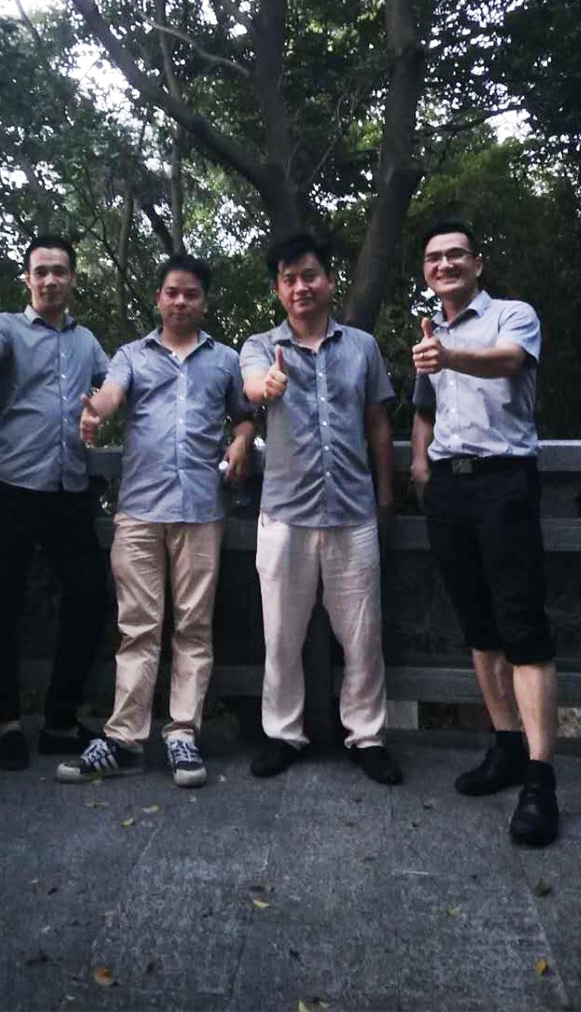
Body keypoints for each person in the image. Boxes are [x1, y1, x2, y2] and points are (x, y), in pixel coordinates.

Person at [55, 255, 256, 788]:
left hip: (202, 509)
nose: (180, 301)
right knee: (138, 628)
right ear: (158, 299)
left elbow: (244, 415)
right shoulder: (131, 355)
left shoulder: (225, 359)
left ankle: (183, 733)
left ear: (203, 301)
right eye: (172, 292)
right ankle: (124, 740)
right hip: (141, 509)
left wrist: (242, 439)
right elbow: (111, 394)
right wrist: (96, 411)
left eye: (191, 293)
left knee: (194, 626)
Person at [411, 219, 558, 846]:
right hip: (450, 487)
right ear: (426, 272)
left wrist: (448, 357)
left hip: (504, 482)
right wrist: (420, 464)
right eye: (433, 258)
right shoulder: (431, 334)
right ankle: (505, 746)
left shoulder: (512, 317)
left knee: (523, 625)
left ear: (477, 263)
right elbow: (424, 407)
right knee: (478, 625)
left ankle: (541, 779)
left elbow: (508, 363)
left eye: (455, 254)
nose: (444, 264)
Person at [239, 233, 402, 786]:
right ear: (278, 290)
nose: (300, 287)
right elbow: (253, 386)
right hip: (285, 515)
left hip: (354, 511)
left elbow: (378, 423)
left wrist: (385, 493)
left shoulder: (362, 347)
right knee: (281, 636)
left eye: (309, 275)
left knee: (363, 636)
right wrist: (268, 386)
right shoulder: (261, 346)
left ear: (328, 281)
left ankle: (367, 736)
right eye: (288, 279)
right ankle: (283, 734)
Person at [0, 236, 110, 771]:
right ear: (27, 279)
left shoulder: (86, 341)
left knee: (89, 598)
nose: (50, 280)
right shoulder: (5, 327)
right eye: (41, 271)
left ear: (72, 278)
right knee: (1, 606)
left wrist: (101, 409)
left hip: (69, 490)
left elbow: (114, 386)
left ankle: (59, 721)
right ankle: (7, 724)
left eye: (60, 271)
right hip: (12, 489)